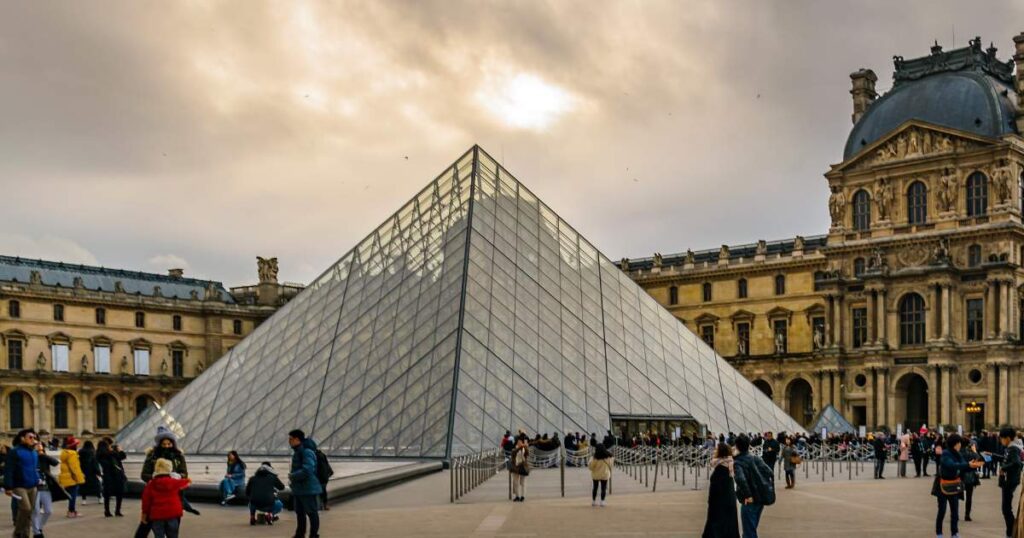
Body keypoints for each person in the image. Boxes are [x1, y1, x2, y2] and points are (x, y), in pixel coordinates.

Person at [934, 434, 983, 538]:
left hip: (954, 484)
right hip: (943, 485)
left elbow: (964, 466)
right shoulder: (946, 454)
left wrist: (974, 466)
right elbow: (951, 465)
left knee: (955, 512)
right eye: (959, 443)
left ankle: (954, 533)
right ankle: (939, 533)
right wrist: (968, 465)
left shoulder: (958, 454)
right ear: (955, 444)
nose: (960, 444)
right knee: (942, 511)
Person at [732, 434, 774, 538]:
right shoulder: (756, 458)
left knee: (749, 532)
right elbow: (769, 472)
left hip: (750, 500)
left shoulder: (738, 462)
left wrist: (748, 495)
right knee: (751, 529)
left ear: (737, 446)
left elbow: (740, 479)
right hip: (760, 498)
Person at [141, 458, 191, 538]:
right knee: (173, 535)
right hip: (173, 514)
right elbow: (188, 482)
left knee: (159, 535)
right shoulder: (174, 482)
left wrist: (144, 514)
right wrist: (177, 476)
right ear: (170, 469)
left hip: (157, 515)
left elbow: (146, 501)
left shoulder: (151, 484)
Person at [4, 429, 40, 538]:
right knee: (26, 509)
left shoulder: (34, 452)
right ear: (22, 438)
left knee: (29, 512)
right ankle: (17, 533)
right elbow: (9, 469)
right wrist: (8, 486)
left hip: (32, 485)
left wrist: (37, 479)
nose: (33, 440)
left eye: (34, 438)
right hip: (19, 486)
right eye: (30, 437)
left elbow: (35, 468)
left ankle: (25, 535)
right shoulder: (15, 451)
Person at [288, 429, 322, 538]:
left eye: (291, 439)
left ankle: (313, 535)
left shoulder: (306, 451)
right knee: (300, 513)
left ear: (297, 439)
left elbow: (308, 470)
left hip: (308, 488)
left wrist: (292, 476)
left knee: (312, 513)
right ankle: (300, 534)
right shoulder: (299, 451)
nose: (289, 441)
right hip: (299, 488)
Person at [702, 442, 740, 538]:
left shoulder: (719, 468)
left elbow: (715, 488)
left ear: (720, 452)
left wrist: (710, 500)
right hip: (729, 500)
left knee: (716, 522)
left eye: (716, 449)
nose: (715, 450)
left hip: (718, 502)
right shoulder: (730, 464)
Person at [996, 428, 1022, 538]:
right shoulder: (1010, 448)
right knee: (1006, 509)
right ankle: (1010, 532)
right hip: (1009, 481)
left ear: (1007, 438)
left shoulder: (1012, 448)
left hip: (1009, 481)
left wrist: (1003, 468)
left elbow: (1017, 463)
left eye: (1001, 438)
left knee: (1006, 509)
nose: (1000, 440)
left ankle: (1010, 533)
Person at [34, 442, 62, 538]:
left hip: (45, 487)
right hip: (34, 487)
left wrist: (43, 455)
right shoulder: (32, 457)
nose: (39, 447)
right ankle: (37, 532)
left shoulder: (44, 458)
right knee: (36, 511)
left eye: (41, 446)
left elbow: (55, 462)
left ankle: (39, 527)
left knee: (48, 511)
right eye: (37, 446)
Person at [246, 461, 285, 525]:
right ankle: (270, 515)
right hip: (268, 503)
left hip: (255, 503)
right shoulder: (272, 478)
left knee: (251, 501)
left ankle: (252, 516)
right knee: (279, 504)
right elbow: (282, 487)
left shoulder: (252, 478)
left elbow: (247, 493)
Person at [97, 438, 127, 517]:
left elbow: (122, 457)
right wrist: (119, 450)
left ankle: (107, 511)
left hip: (107, 477)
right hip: (116, 476)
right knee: (119, 493)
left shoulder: (100, 455)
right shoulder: (111, 454)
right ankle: (117, 511)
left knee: (107, 494)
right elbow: (122, 456)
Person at [58, 436, 85, 518]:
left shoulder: (65, 453)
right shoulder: (72, 454)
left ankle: (71, 511)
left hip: (66, 477)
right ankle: (71, 511)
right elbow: (75, 468)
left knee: (71, 495)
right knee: (73, 496)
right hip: (72, 478)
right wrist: (80, 478)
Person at [961, 440, 982, 522]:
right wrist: (974, 451)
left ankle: (954, 513)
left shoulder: (959, 452)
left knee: (955, 496)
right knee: (969, 497)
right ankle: (967, 514)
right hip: (970, 476)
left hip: (960, 475)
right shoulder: (971, 453)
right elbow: (979, 460)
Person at [78, 440, 101, 506]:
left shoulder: (80, 452)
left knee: (83, 486)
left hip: (83, 471)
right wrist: (98, 472)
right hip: (92, 472)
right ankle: (99, 498)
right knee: (96, 485)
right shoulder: (93, 452)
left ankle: (84, 500)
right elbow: (95, 463)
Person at [510, 436, 529, 502]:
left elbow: (527, 453)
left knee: (522, 482)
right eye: (518, 442)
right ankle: (517, 496)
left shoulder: (524, 448)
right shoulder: (514, 449)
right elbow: (514, 453)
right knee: (515, 482)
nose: (519, 443)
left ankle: (523, 496)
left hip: (523, 467)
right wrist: (521, 447)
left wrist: (525, 447)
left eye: (521, 442)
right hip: (515, 468)